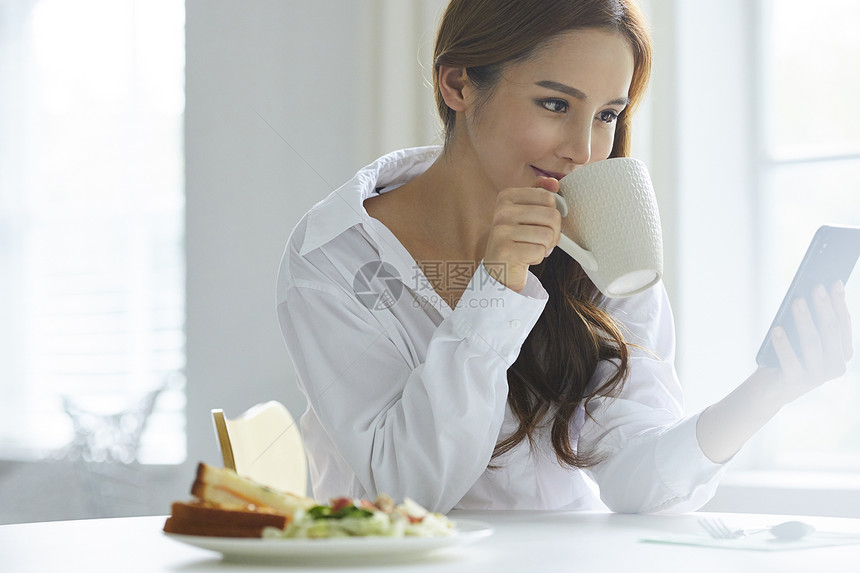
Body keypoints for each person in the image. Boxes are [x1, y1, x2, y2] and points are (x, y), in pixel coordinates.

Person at [276, 0, 853, 513]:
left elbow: (636, 482)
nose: (582, 150)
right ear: (457, 85)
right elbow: (408, 493)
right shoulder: (336, 257)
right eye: (555, 103)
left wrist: (770, 388)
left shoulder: (601, 238)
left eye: (606, 114)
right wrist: (497, 289)